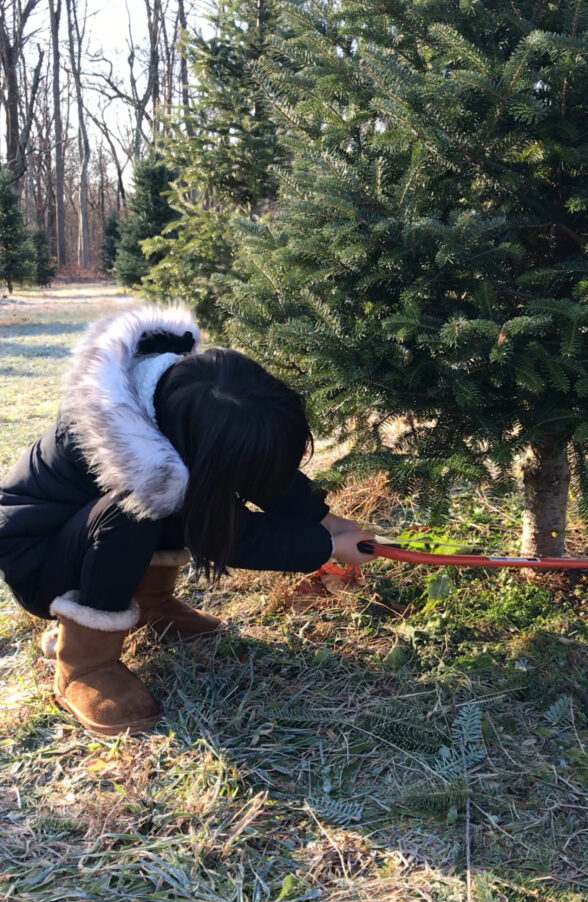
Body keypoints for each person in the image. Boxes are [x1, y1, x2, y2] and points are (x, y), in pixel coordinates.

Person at [0, 303, 375, 737]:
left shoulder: (188, 403)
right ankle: (83, 664)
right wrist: (324, 547)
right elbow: (232, 535)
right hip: (41, 561)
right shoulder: (133, 457)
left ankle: (153, 607)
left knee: (157, 508)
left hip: (91, 534)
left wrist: (327, 520)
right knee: (137, 510)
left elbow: (257, 468)